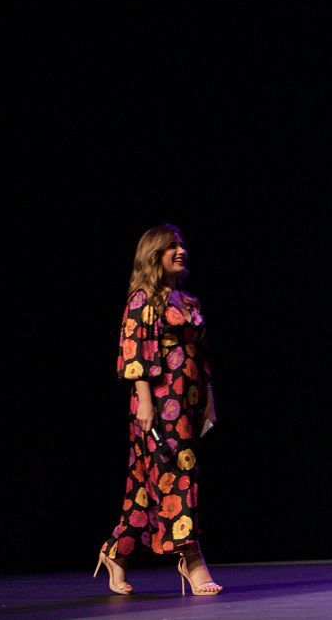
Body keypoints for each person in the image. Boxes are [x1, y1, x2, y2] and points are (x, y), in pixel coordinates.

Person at [93, 224, 222, 596]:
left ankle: (116, 552)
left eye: (182, 244)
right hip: (159, 402)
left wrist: (208, 398)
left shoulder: (189, 302)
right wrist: (145, 400)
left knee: (145, 485)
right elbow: (134, 348)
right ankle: (191, 558)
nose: (180, 250)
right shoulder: (143, 299)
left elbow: (202, 354)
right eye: (171, 246)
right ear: (154, 254)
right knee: (180, 471)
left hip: (189, 401)